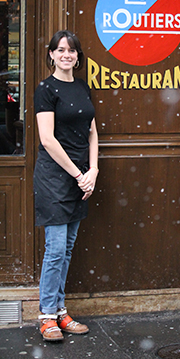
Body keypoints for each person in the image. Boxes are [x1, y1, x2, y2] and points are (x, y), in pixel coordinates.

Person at [34, 30, 99, 341]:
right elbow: (47, 139)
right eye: (60, 50)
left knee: (68, 248)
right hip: (55, 176)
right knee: (56, 250)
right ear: (51, 55)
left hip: (80, 175)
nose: (66, 55)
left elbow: (92, 133)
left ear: (77, 55)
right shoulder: (45, 89)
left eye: (71, 50)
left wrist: (94, 170)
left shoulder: (83, 87)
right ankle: (46, 314)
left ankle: (60, 310)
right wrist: (78, 174)